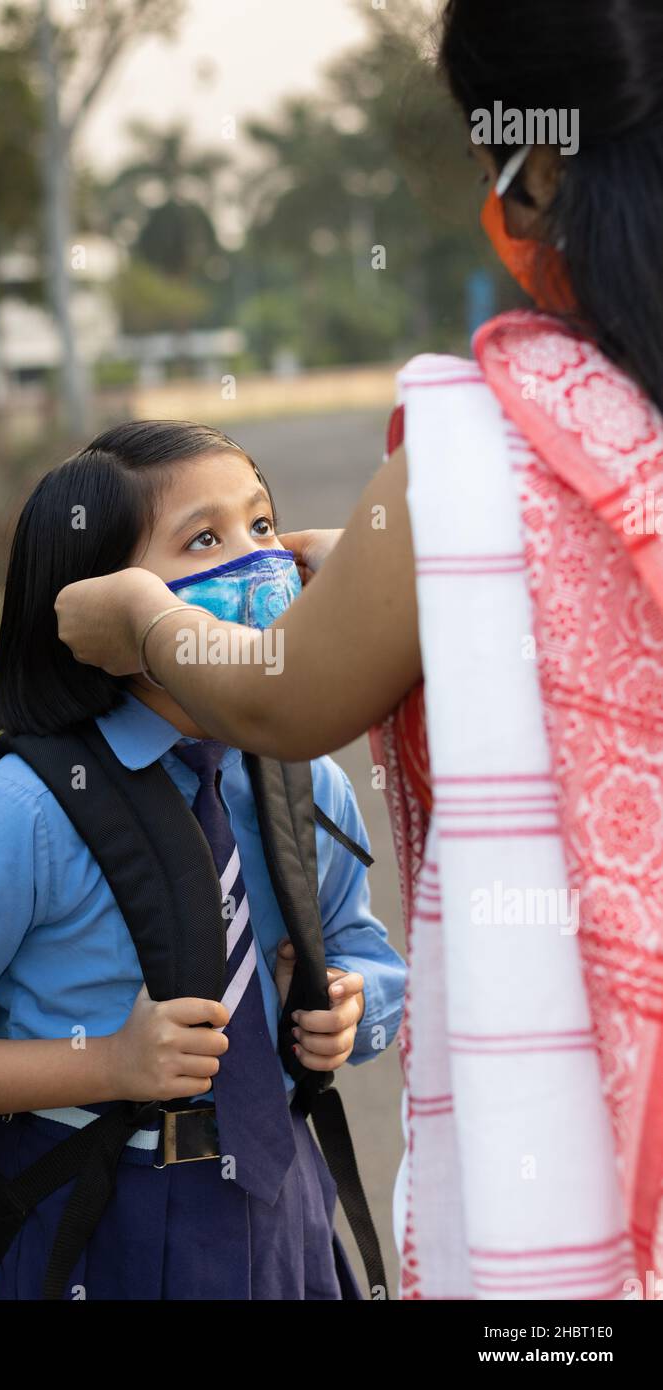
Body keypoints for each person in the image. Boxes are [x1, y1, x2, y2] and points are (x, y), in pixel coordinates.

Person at [54, 0, 663, 1301]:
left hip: (581, 1114)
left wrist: (146, 619)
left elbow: (280, 699)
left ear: (540, 165)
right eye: (201, 539)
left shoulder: (472, 456)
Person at [0, 420, 406, 1301]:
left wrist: (354, 1005)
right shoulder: (21, 815)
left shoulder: (303, 780)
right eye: (205, 539)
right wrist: (109, 1063)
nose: (257, 561)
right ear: (96, 607)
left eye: (263, 526)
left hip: (286, 1208)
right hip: (98, 1224)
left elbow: (368, 955)